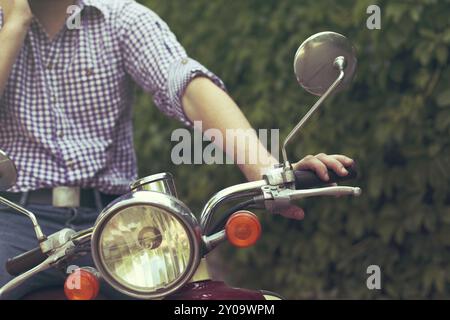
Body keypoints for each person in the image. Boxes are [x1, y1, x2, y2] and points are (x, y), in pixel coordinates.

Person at [0, 0, 354, 299]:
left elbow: (184, 84)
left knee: (198, 297)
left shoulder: (120, 17)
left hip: (118, 224)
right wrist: (14, 25)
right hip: (15, 219)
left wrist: (266, 171)